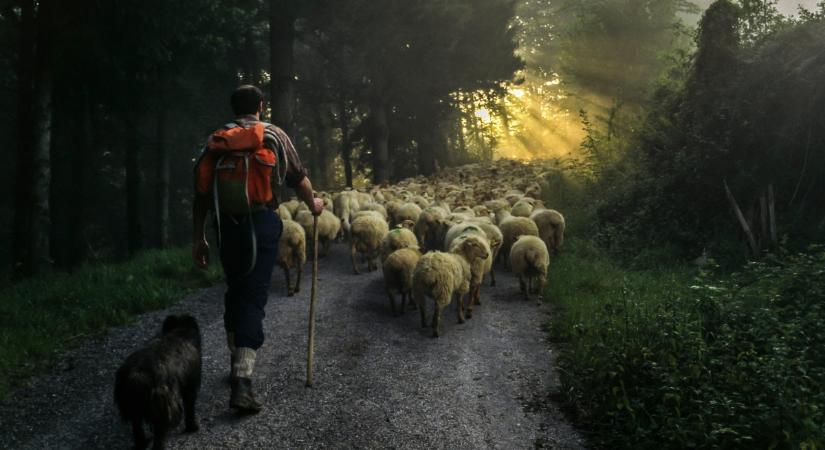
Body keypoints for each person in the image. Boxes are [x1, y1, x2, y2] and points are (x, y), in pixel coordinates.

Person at [191, 85, 323, 413]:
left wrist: (200, 237)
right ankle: (242, 381)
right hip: (261, 223)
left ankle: (236, 359)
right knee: (253, 297)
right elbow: (299, 178)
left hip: (227, 226)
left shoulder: (218, 139)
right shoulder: (273, 135)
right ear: (261, 107)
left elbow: (202, 193)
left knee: (236, 290)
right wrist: (314, 203)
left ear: (234, 109)